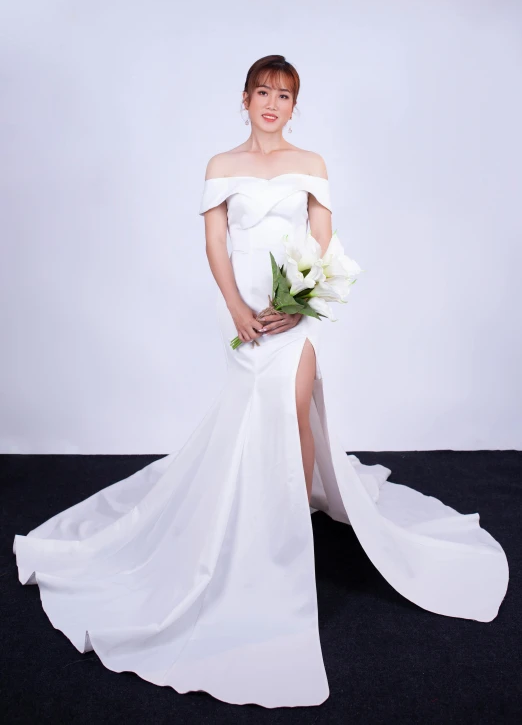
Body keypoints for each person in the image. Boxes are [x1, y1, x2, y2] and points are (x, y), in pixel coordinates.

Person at [13, 55, 509, 709]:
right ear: (244, 99)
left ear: (293, 105)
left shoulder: (313, 162)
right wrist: (237, 309)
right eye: (264, 92)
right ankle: (254, 514)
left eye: (285, 94)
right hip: (248, 319)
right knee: (253, 412)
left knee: (296, 404)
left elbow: (325, 243)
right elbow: (216, 243)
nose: (273, 103)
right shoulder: (222, 165)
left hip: (294, 316)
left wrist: (300, 302)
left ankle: (290, 521)